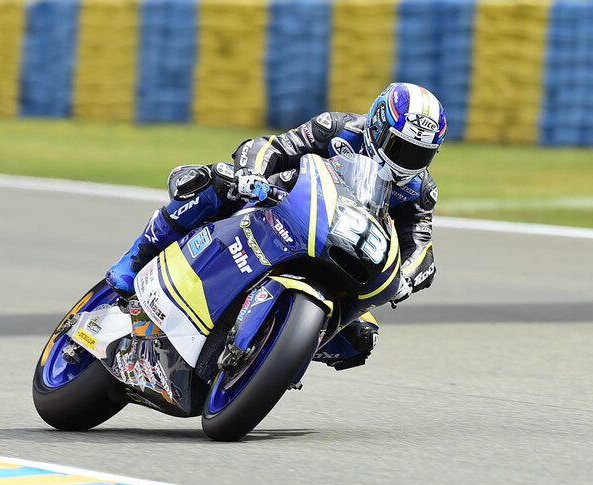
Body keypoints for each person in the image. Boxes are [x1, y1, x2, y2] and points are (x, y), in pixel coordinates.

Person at [106, 82, 444, 370]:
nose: (407, 161)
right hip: (277, 209)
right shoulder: (337, 128)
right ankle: (137, 258)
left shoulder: (419, 191)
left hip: (339, 248)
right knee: (218, 180)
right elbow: (274, 147)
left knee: (361, 340)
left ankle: (278, 348)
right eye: (401, 147)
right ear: (378, 126)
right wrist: (250, 174)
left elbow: (420, 247)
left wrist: (407, 279)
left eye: (420, 154)